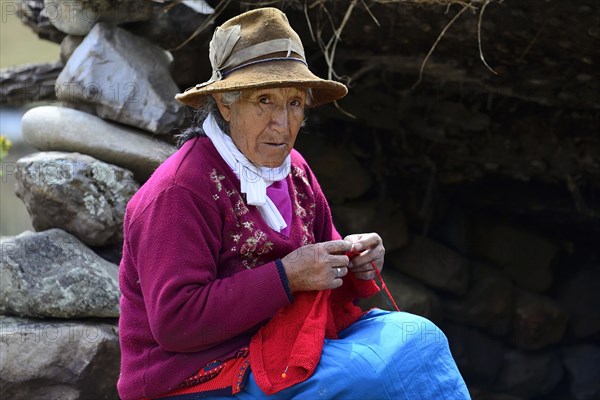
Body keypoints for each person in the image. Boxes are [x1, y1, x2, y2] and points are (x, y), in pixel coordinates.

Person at [117, 7, 470, 400]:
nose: (282, 125)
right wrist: (286, 276)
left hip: (284, 338)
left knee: (421, 337)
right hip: (197, 374)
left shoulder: (293, 170)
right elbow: (176, 323)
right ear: (225, 104)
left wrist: (356, 263)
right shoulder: (180, 191)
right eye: (264, 100)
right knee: (370, 372)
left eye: (294, 103)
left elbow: (324, 263)